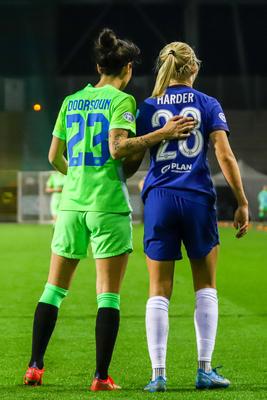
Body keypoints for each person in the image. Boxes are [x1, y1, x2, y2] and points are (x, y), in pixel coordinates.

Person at [23, 29, 196, 391]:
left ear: (99, 65)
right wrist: (161, 133)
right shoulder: (122, 101)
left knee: (52, 289)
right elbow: (118, 149)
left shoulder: (71, 100)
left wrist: (79, 178)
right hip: (107, 205)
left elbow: (54, 156)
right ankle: (100, 377)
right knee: (108, 294)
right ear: (128, 69)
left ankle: (35, 367)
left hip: (71, 203)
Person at [134, 41, 249, 391]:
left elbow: (132, 154)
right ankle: (204, 369)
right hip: (197, 197)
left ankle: (158, 375)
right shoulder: (207, 104)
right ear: (194, 68)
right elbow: (225, 156)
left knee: (158, 289)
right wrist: (242, 201)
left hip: (159, 198)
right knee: (205, 286)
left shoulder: (148, 106)